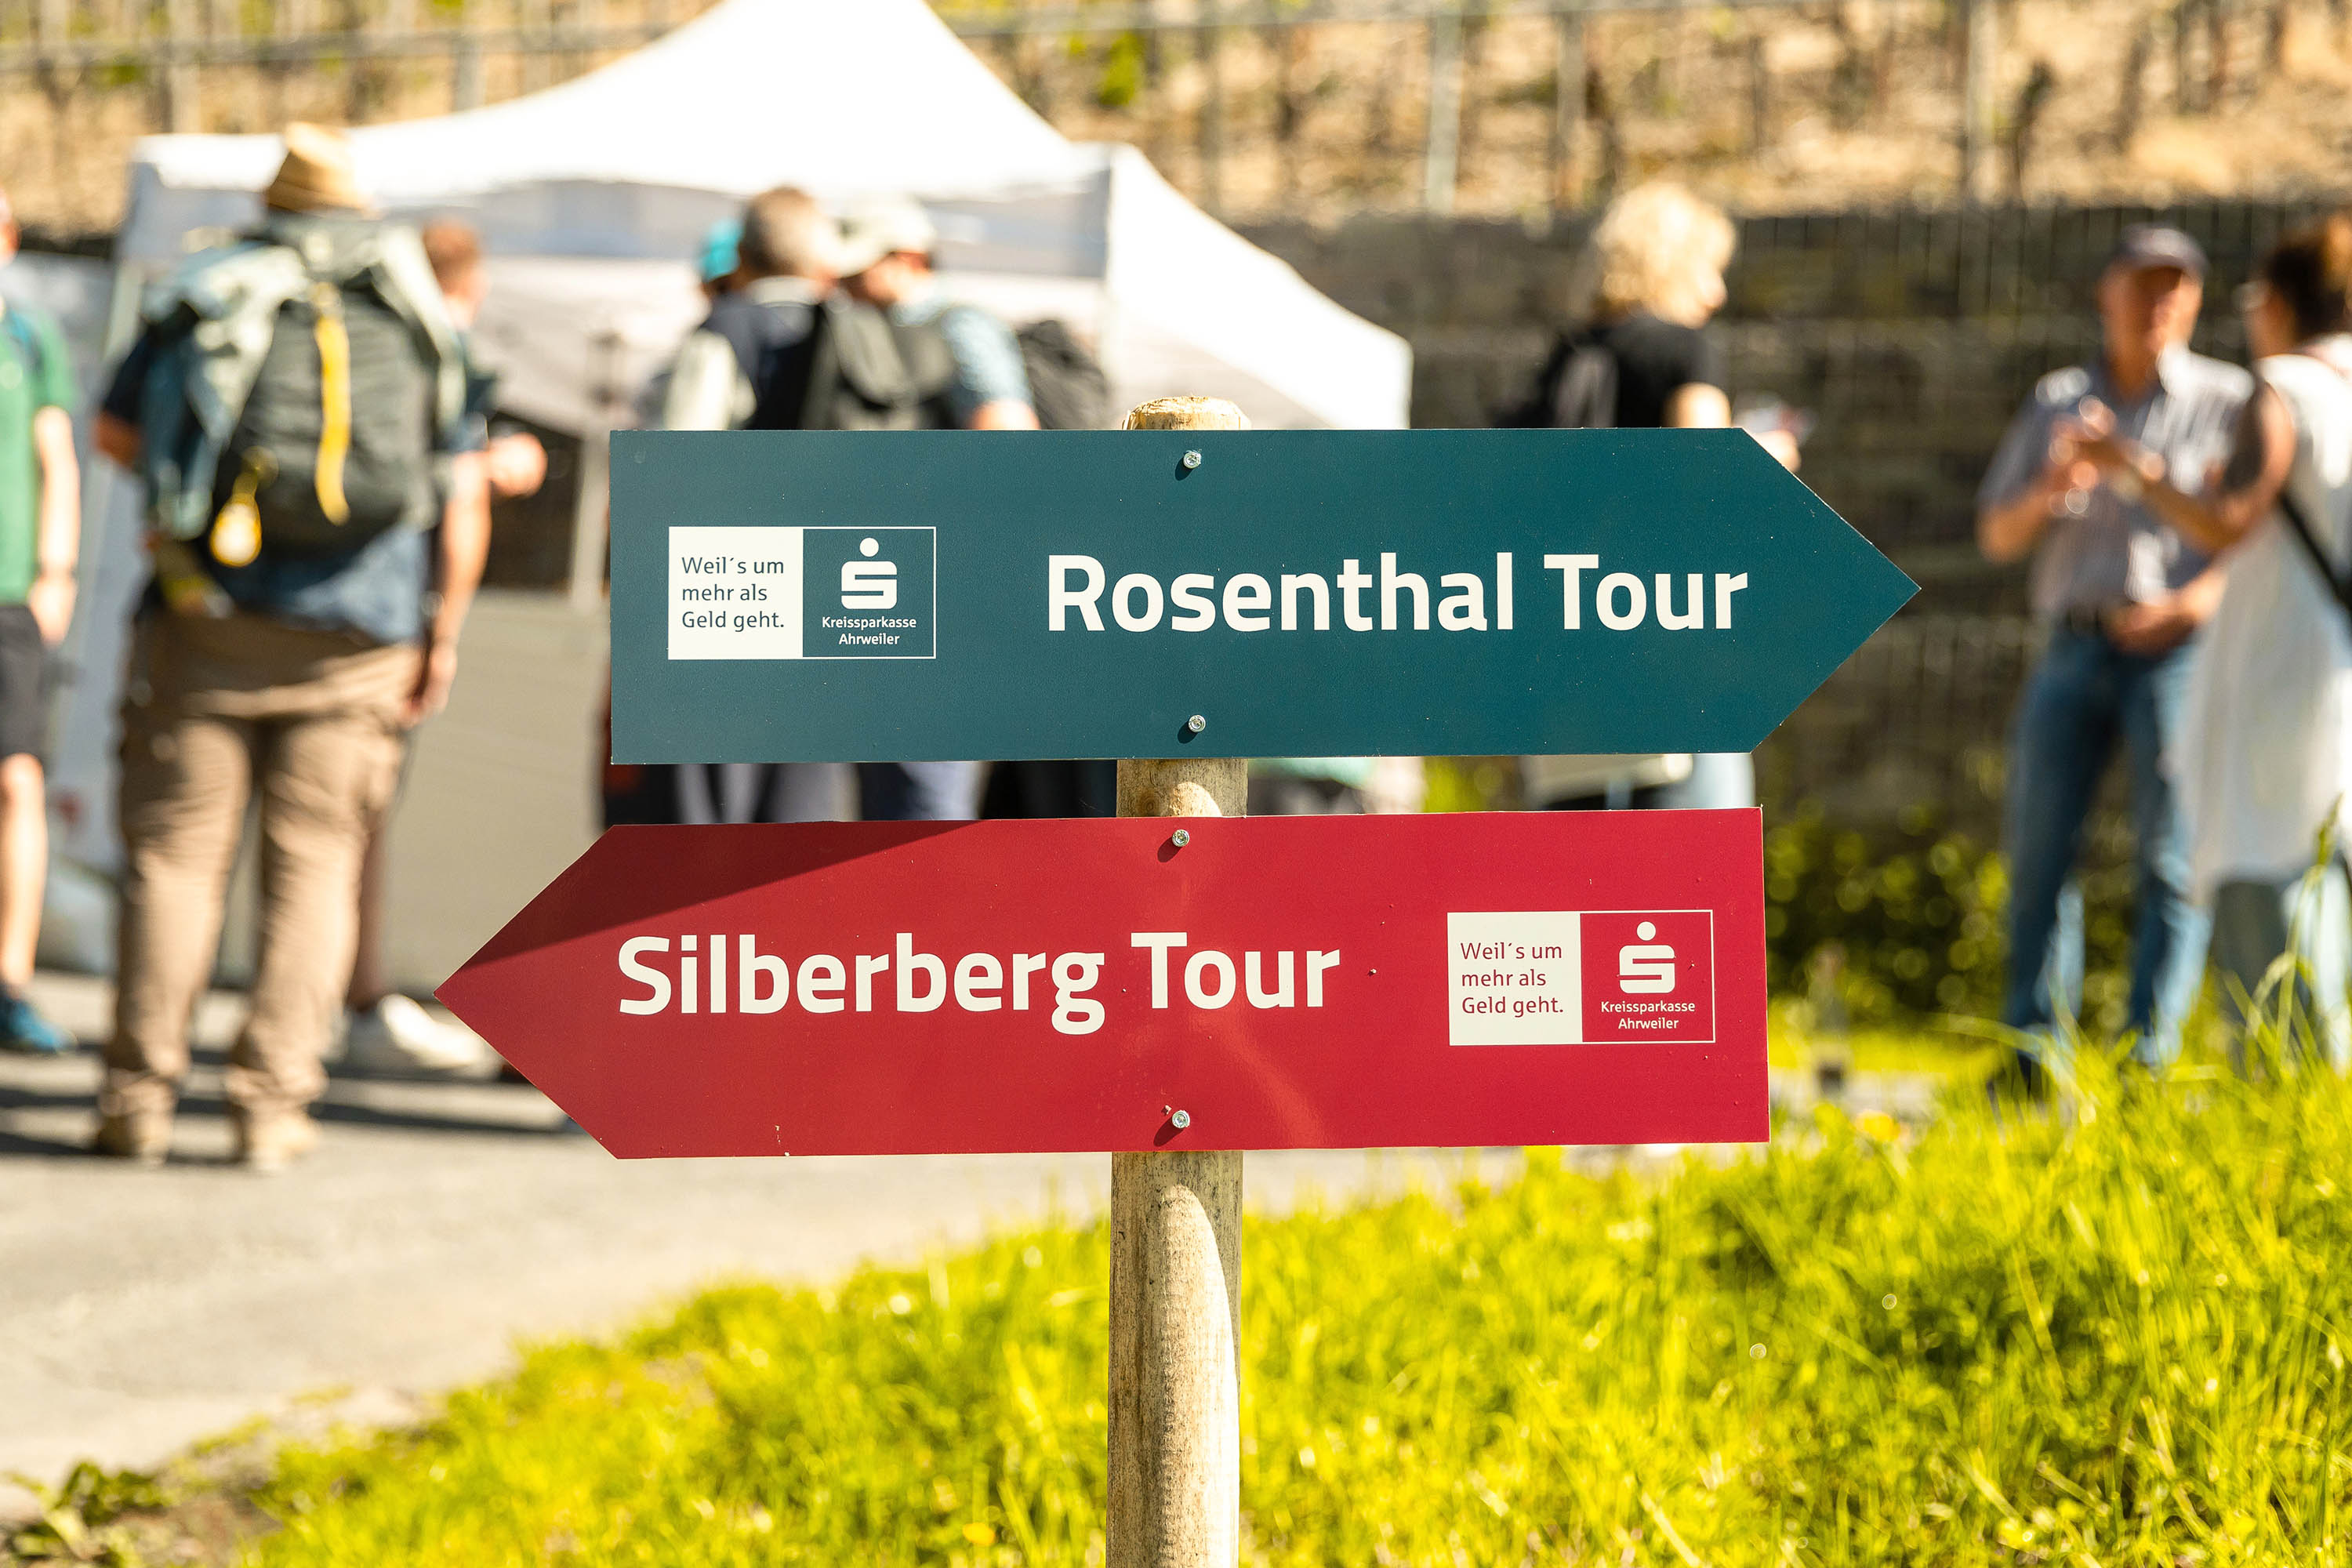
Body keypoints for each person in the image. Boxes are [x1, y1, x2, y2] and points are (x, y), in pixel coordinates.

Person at [90, 124, 482, 1167]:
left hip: (207, 618)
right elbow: (458, 479)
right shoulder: (412, 301)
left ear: (275, 203)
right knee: (317, 868)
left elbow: (114, 432)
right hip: (363, 630)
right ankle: (271, 1109)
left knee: (176, 861)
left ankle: (138, 1101)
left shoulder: (208, 287)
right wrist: (440, 633)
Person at [2068, 216, 2352, 1069]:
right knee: (2322, 855)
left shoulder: (2284, 385)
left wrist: (2133, 468)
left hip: (2279, 654)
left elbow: (2228, 518)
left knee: (2263, 854)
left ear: (2278, 303)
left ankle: (2283, 1076)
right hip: (2335, 652)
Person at [1976, 225, 2252, 1082]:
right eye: (2143, 284)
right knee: (2039, 851)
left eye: (2176, 286)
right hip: (2073, 644)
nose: (2158, 302)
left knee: (2170, 857)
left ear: (2196, 300)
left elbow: (2250, 538)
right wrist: (2053, 487)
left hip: (2177, 652)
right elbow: (1996, 534)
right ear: (2107, 293)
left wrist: (2193, 602)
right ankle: (2033, 1058)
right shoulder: (2060, 398)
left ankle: (2148, 1064)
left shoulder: (2228, 399)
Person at [1504, 182, 1795, 814]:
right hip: (1671, 640)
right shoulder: (1684, 351)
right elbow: (1705, 490)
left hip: (1570, 647)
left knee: (1578, 854)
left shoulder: (1564, 361)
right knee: (1695, 853)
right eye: (1708, 270)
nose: (1716, 294)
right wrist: (1763, 462)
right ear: (1668, 262)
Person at [339, 219, 543, 1077]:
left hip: (257, 607)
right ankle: (351, 1002)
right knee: (352, 818)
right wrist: (444, 635)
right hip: (381, 620)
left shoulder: (340, 338)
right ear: (471, 288)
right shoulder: (441, 355)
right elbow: (461, 501)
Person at [0, 187, 81, 1055]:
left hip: (11, 597)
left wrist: (56, 571)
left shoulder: (27, 337)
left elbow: (58, 458)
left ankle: (10, 981)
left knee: (17, 779)